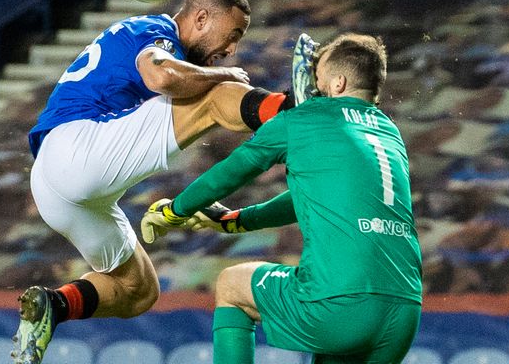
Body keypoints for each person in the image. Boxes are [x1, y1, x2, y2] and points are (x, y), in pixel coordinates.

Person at [12, 0, 315, 363]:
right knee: (212, 94)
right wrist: (225, 75)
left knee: (138, 289)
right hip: (77, 148)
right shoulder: (155, 31)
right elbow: (162, 77)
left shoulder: (149, 36)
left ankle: (53, 305)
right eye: (233, 34)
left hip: (55, 186)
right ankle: (295, 110)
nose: (232, 49)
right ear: (201, 18)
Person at [143, 33, 423, 363]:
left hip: (339, 304)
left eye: (317, 83)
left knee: (232, 284)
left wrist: (176, 210)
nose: (313, 91)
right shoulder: (389, 134)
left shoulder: (304, 119)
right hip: (404, 312)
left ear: (338, 83)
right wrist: (238, 221)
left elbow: (232, 171)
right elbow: (314, 195)